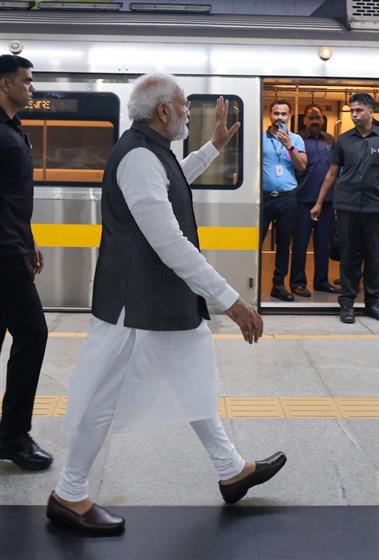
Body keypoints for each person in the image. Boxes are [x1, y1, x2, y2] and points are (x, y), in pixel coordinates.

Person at [46, 74, 286, 536]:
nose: (185, 115)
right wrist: (231, 302)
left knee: (190, 376)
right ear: (162, 112)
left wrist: (214, 145)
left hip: (156, 301)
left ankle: (231, 468)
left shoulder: (151, 153)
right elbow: (170, 242)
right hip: (133, 306)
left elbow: (174, 182)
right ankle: (69, 494)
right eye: (182, 107)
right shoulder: (139, 158)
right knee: (100, 399)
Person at [0, 54, 53, 472]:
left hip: (15, 245)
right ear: (5, 84)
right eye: (27, 81)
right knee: (33, 335)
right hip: (3, 254)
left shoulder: (13, 129)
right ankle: (14, 436)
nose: (32, 88)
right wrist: (17, 246)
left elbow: (12, 197)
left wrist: (30, 238)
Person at [310, 92, 379, 324]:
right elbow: (332, 174)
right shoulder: (343, 140)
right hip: (347, 206)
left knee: (374, 257)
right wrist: (319, 202)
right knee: (349, 257)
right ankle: (347, 304)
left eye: (359, 110)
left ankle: (372, 304)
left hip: (376, 207)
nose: (355, 115)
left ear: (370, 111)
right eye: (352, 111)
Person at [289, 105, 339, 296]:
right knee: (300, 244)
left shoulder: (330, 140)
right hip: (302, 200)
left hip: (326, 202)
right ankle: (298, 282)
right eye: (311, 118)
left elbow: (335, 170)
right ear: (305, 120)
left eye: (318, 118)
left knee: (323, 244)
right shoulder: (297, 140)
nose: (315, 121)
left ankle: (321, 281)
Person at [261, 99, 307, 302]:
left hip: (288, 199)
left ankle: (278, 285)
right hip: (262, 199)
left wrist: (289, 146)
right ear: (269, 114)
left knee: (283, 244)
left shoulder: (296, 139)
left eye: (283, 114)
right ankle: (248, 282)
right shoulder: (259, 137)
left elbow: (302, 166)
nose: (279, 117)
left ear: (289, 116)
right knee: (256, 241)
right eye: (276, 113)